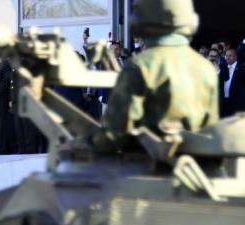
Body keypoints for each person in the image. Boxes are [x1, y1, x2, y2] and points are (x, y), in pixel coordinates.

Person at [91, 0, 218, 152]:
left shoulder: (140, 66)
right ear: (192, 22)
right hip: (193, 166)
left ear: (138, 22)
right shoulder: (207, 68)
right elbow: (211, 130)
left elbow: (114, 133)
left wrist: (86, 142)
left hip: (145, 166)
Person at [218, 49, 245, 117]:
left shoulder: (242, 68)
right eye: (226, 56)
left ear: (236, 57)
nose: (227, 58)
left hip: (237, 104)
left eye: (230, 56)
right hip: (224, 102)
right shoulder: (222, 67)